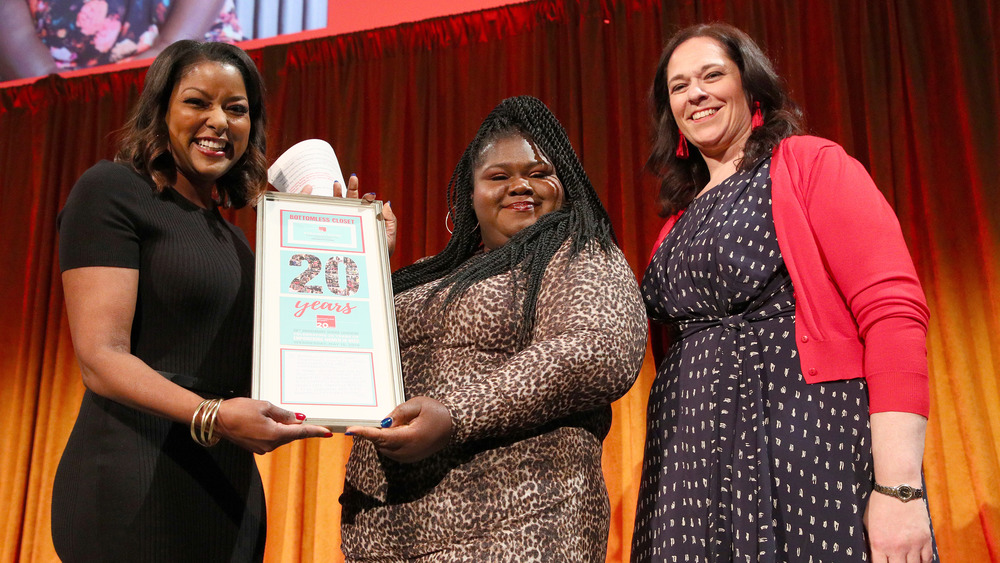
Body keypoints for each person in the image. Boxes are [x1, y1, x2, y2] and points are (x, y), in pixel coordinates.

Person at [631, 23, 936, 563]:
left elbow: (893, 314)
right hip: (690, 462)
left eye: (711, 75)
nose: (695, 93)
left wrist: (899, 489)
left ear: (752, 89)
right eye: (678, 86)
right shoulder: (675, 225)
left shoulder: (810, 165)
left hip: (805, 439)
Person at [52, 40, 331, 562]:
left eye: (237, 109)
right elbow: (101, 359)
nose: (219, 121)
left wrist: (354, 250)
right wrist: (215, 416)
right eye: (198, 102)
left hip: (227, 492)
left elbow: (287, 357)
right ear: (161, 110)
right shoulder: (111, 190)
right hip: (132, 479)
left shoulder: (240, 243)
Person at [338, 95, 647, 561]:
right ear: (469, 192)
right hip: (390, 538)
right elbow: (343, 357)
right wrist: (356, 260)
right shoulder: (430, 273)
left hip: (519, 527)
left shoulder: (581, 253)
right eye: (499, 176)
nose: (520, 185)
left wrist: (454, 415)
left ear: (565, 184)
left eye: (539, 173)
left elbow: (596, 351)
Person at [0, 0, 242, 81]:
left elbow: (176, 44)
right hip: (52, 82)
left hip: (183, 57)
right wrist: (62, 98)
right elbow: (18, 41)